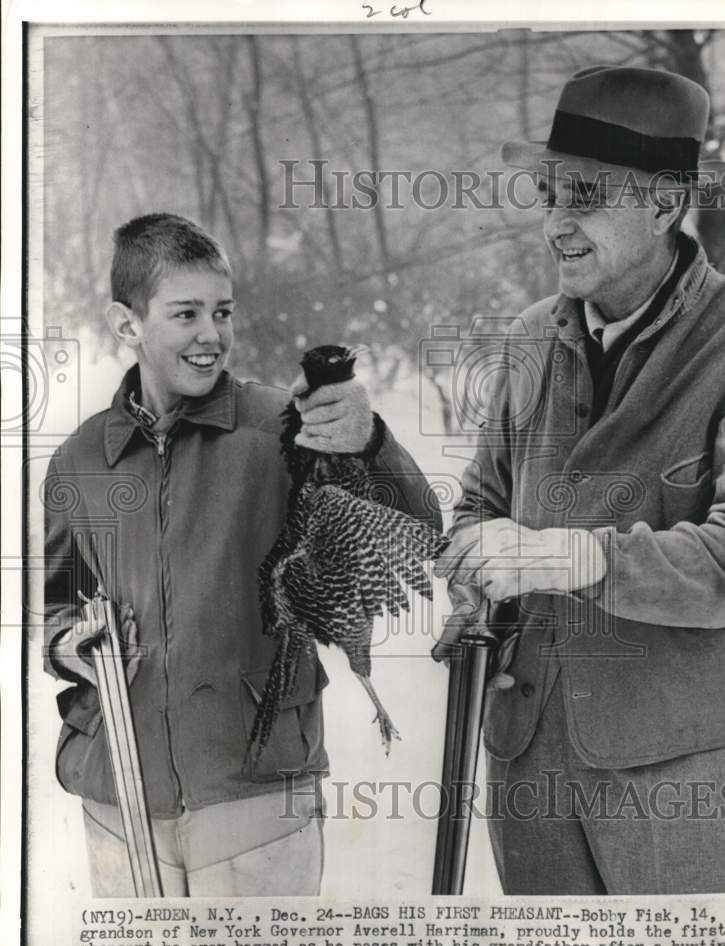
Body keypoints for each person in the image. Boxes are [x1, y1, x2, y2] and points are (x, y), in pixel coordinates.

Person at [43, 212, 440, 897]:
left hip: (253, 791)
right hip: (120, 793)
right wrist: (67, 646)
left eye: (222, 312)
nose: (211, 335)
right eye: (186, 313)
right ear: (125, 324)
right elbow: (58, 605)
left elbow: (417, 524)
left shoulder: (277, 428)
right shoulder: (80, 460)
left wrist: (369, 440)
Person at [434, 66, 725, 894]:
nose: (556, 222)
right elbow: (479, 504)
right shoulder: (531, 337)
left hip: (677, 778)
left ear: (666, 203)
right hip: (526, 758)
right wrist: (475, 576)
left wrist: (566, 558)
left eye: (585, 195)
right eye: (548, 193)